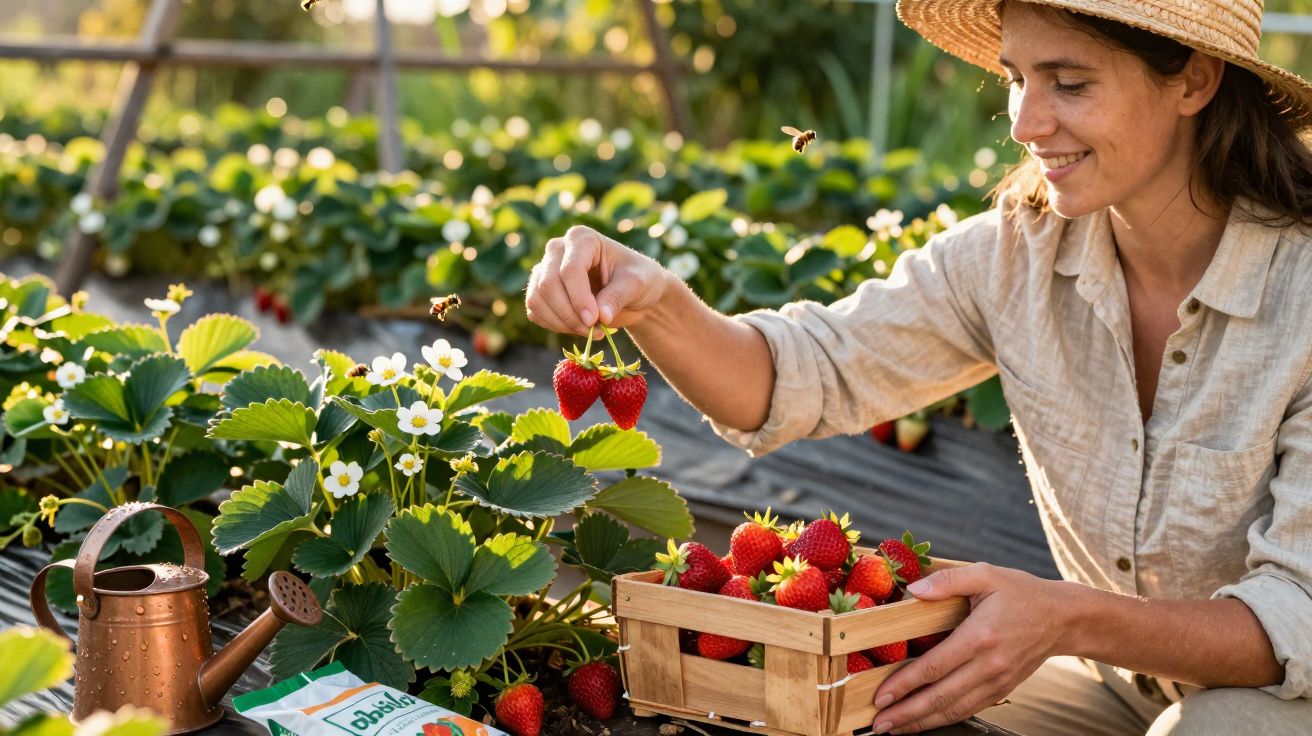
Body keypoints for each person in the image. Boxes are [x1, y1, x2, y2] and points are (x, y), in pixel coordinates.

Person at [524, 0, 1312, 733]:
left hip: (1284, 696)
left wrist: (1066, 616)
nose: (1026, 122)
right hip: (1117, 682)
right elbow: (797, 376)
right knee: (883, 702)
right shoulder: (1016, 256)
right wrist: (656, 300)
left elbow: (1298, 613)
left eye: (1070, 83)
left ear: (1194, 81)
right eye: (1016, 78)